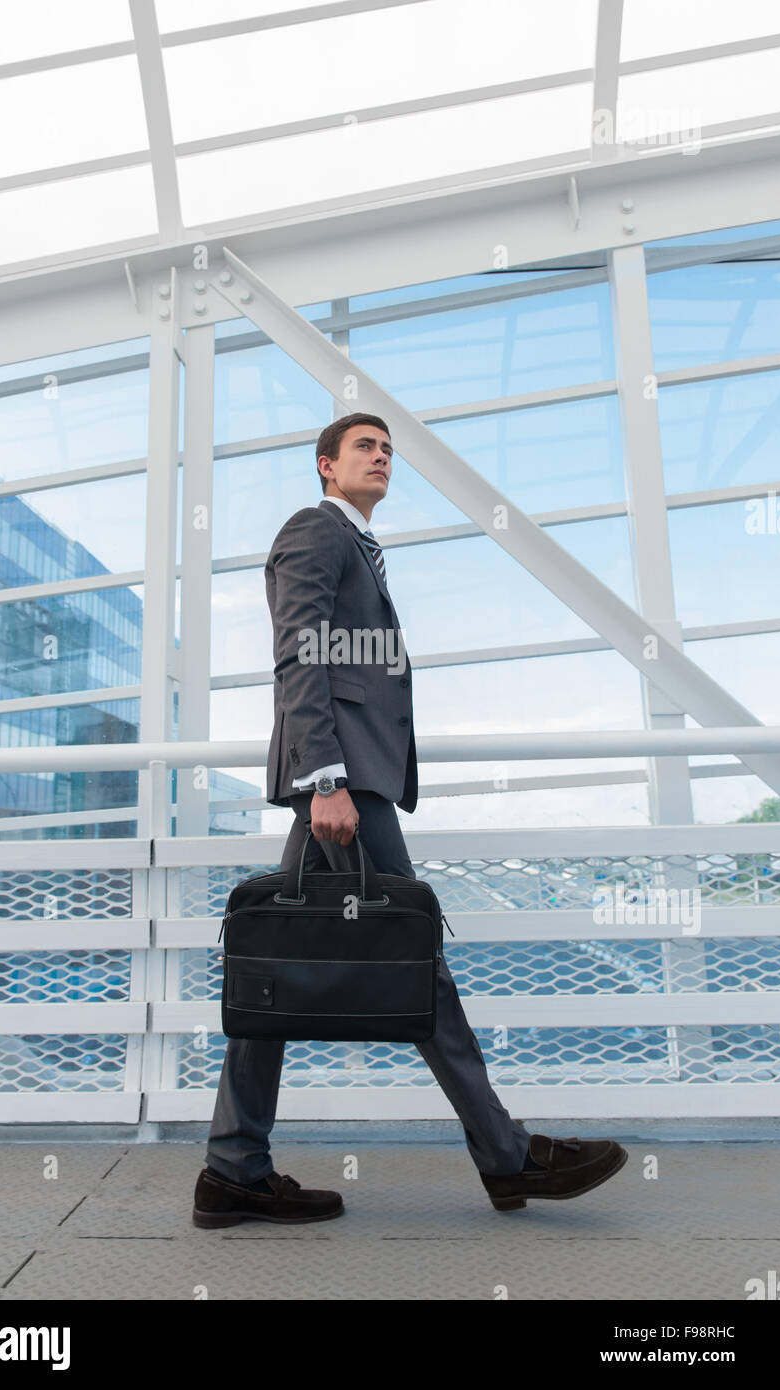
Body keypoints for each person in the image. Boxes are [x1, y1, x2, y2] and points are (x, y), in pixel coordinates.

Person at [193, 412, 627, 1228]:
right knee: (411, 954)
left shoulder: (358, 547)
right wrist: (325, 778)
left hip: (355, 780)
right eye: (365, 446)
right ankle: (505, 1155)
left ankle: (234, 1165)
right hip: (343, 784)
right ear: (326, 465)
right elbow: (300, 651)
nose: (382, 457)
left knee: (278, 959)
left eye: (388, 449)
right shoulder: (315, 532)